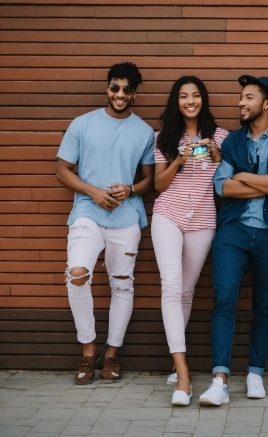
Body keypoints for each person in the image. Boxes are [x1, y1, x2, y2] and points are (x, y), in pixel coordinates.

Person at [198, 75, 268, 406]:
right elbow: (222, 187)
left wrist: (243, 176)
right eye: (240, 98)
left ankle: (255, 372)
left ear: (267, 103)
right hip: (234, 229)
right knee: (225, 298)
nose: (240, 103)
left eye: (247, 98)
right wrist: (261, 181)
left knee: (263, 304)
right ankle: (220, 380)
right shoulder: (232, 140)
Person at [56, 62, 155, 385]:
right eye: (115, 87)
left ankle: (112, 354)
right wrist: (93, 192)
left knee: (122, 284)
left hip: (126, 218)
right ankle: (88, 350)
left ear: (135, 93)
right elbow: (63, 171)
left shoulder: (143, 131)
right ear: (107, 88)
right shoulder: (82, 125)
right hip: (87, 213)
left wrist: (130, 189)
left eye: (127, 89)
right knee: (77, 275)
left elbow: (148, 182)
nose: (120, 94)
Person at [150, 76, 228, 406]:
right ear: (176, 101)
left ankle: (174, 360)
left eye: (196, 95)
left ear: (203, 100)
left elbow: (227, 178)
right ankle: (183, 374)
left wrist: (215, 155)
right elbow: (158, 184)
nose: (190, 101)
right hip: (168, 214)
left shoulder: (221, 135)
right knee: (170, 286)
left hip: (203, 220)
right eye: (183, 96)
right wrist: (181, 158)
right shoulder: (164, 136)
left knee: (185, 290)